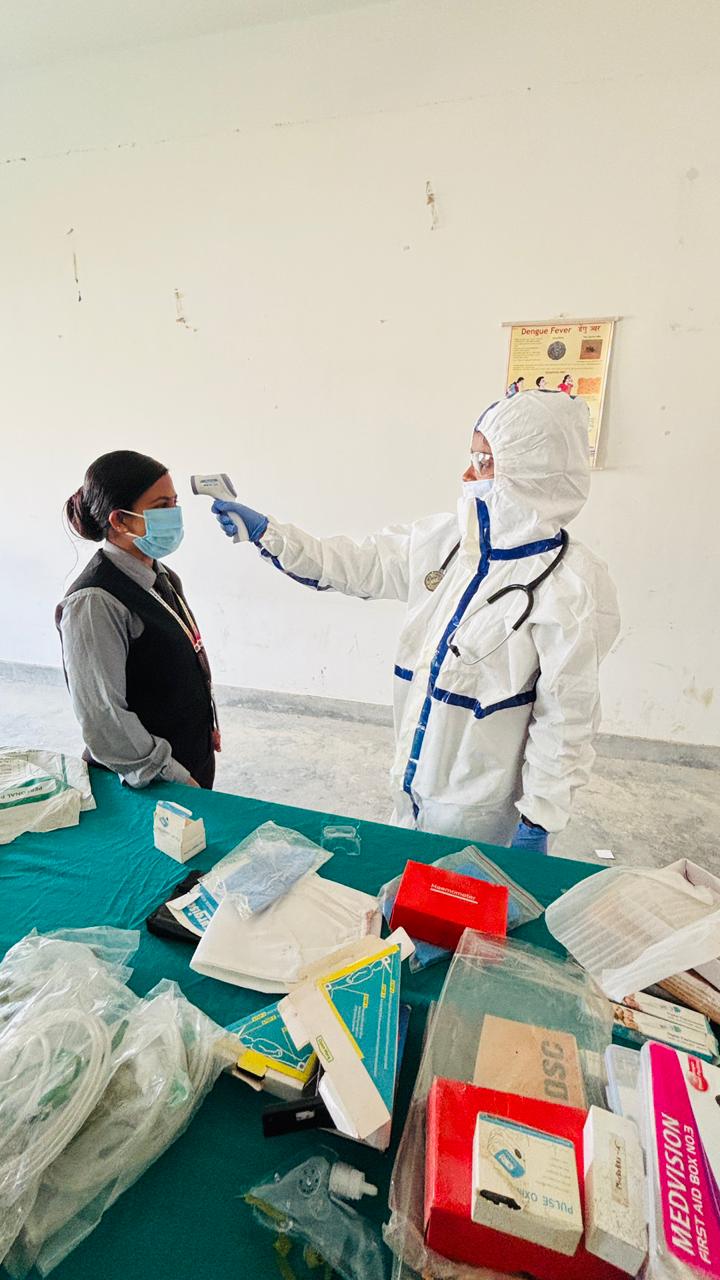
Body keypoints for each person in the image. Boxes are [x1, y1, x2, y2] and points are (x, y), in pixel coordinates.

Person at [212, 392, 619, 852]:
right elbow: (352, 563)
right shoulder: (444, 542)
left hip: (481, 813)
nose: (467, 475)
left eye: (483, 463)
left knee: (462, 894)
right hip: (410, 788)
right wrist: (269, 533)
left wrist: (540, 818)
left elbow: (566, 718)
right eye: (471, 458)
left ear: (532, 472)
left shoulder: (570, 586)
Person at [57, 451, 219, 789]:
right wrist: (171, 775)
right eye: (160, 506)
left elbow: (183, 655)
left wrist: (207, 725)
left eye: (174, 504)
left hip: (187, 764)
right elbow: (105, 719)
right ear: (120, 520)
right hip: (144, 782)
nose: (173, 515)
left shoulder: (162, 577)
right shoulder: (94, 602)